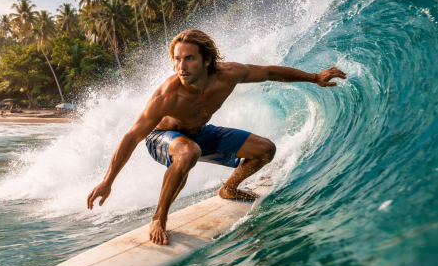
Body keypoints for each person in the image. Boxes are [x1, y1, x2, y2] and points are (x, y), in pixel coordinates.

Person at [87, 29, 346, 245]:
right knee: (188, 152)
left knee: (265, 149)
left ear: (207, 60)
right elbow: (132, 136)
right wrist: (108, 180)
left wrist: (314, 77)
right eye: (177, 59)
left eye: (189, 58)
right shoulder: (168, 95)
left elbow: (270, 73)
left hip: (199, 134)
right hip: (161, 138)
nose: (181, 66)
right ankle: (159, 218)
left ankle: (229, 189)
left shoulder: (230, 74)